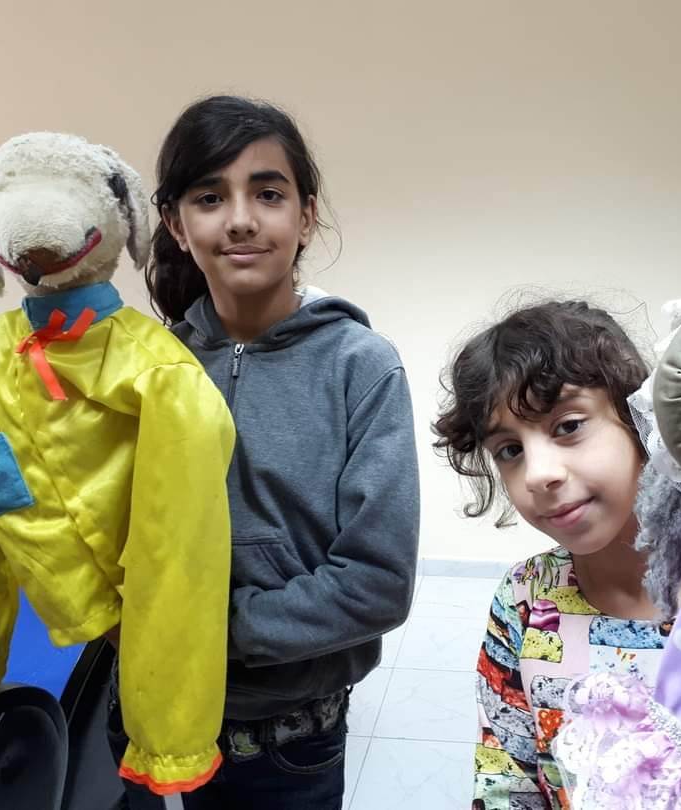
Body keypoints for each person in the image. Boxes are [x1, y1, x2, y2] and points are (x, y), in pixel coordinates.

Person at [109, 95, 420, 809]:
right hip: (147, 716)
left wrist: (209, 629)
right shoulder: (149, 369)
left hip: (285, 740)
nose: (241, 219)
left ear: (305, 216)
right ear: (175, 224)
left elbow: (376, 582)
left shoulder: (361, 367)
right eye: (209, 197)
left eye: (268, 193)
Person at [433, 299, 681, 809]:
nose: (538, 473)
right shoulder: (525, 598)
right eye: (510, 450)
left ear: (640, 417)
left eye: (568, 426)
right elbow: (506, 780)